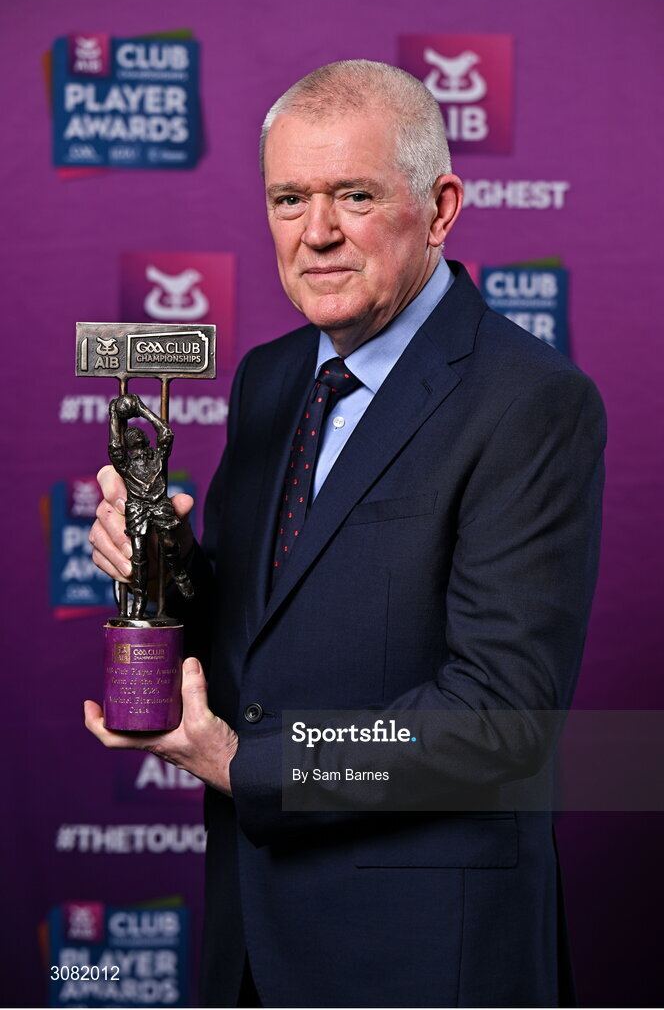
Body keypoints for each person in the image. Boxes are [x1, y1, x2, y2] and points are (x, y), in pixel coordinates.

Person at [87, 60, 606, 1008]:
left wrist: (249, 766)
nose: (316, 231)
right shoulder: (271, 376)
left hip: (421, 955)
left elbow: (501, 716)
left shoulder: (529, 400)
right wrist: (161, 563)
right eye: (289, 198)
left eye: (354, 196)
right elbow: (260, 630)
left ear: (440, 209)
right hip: (252, 940)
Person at [107, 393, 193, 619]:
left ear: (145, 439)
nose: (134, 434)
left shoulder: (158, 457)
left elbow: (166, 433)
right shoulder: (125, 464)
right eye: (130, 434)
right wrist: (114, 415)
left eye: (139, 433)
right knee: (138, 555)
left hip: (159, 503)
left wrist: (142, 409)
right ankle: (140, 599)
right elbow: (114, 447)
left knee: (169, 543)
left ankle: (179, 574)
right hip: (137, 507)